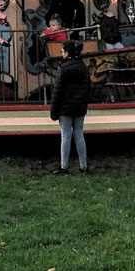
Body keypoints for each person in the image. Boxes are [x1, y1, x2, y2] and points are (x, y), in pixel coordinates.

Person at [49, 40, 91, 174]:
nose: (61, 53)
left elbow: (58, 91)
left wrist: (54, 111)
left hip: (65, 107)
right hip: (79, 106)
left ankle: (64, 166)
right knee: (79, 134)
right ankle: (83, 165)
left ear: (67, 52)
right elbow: (88, 87)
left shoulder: (63, 68)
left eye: (62, 51)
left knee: (66, 135)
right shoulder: (82, 66)